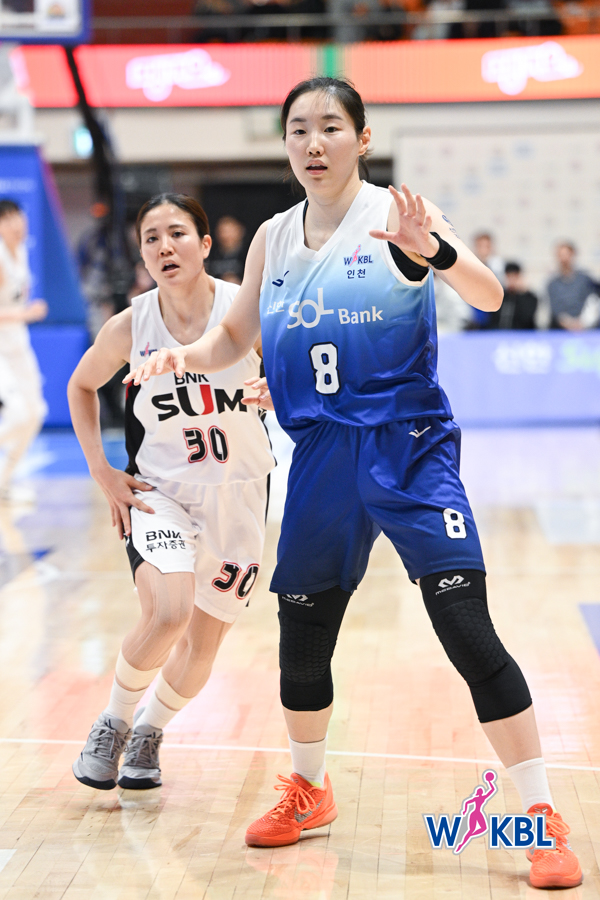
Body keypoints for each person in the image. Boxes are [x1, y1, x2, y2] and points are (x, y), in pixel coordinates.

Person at [126, 79, 581, 889]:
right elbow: (234, 336)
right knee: (303, 637)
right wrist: (181, 357)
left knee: (466, 628)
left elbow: (487, 293)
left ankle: (540, 815)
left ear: (362, 138)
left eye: (331, 127)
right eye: (298, 128)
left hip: (409, 447)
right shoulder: (272, 237)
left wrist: (435, 252)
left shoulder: (399, 214)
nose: (313, 142)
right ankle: (310, 789)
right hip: (321, 453)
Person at [68, 194, 274, 791]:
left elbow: (301, 380)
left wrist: (282, 392)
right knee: (167, 612)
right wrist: (102, 470)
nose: (165, 246)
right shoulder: (130, 326)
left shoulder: (247, 311)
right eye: (151, 238)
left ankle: (150, 731)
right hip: (161, 492)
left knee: (204, 642)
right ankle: (113, 722)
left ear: (205, 245)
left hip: (240, 494)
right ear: (142, 255)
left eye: (177, 233)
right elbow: (81, 387)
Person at [0, 199, 47, 502]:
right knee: (17, 415)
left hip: (18, 344)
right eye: (8, 219)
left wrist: (24, 313)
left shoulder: (22, 252)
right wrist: (26, 313)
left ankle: (3, 482)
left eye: (18, 217)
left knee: (36, 413)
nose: (17, 224)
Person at [547, 241, 600, 330]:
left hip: (586, 329)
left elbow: (593, 302)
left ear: (573, 255)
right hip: (562, 330)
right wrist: (569, 324)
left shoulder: (586, 280)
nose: (564, 259)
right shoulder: (552, 284)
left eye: (566, 255)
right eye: (560, 255)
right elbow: (556, 310)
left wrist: (583, 322)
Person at [487, 262, 538, 330]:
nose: (511, 280)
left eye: (514, 277)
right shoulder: (500, 296)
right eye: (509, 277)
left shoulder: (530, 297)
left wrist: (521, 292)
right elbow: (492, 318)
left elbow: (526, 318)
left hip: (521, 334)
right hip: (498, 333)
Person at [207, 215, 248, 285]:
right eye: (223, 231)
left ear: (240, 230)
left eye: (230, 231)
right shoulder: (211, 255)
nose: (226, 235)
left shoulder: (248, 254)